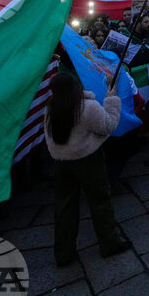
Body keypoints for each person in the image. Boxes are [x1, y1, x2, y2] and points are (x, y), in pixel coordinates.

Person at [44, 72, 131, 267]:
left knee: (65, 207)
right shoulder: (87, 107)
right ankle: (110, 243)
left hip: (61, 162)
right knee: (100, 201)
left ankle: (64, 253)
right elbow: (108, 125)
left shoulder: (51, 108)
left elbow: (49, 136)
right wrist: (111, 99)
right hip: (88, 160)